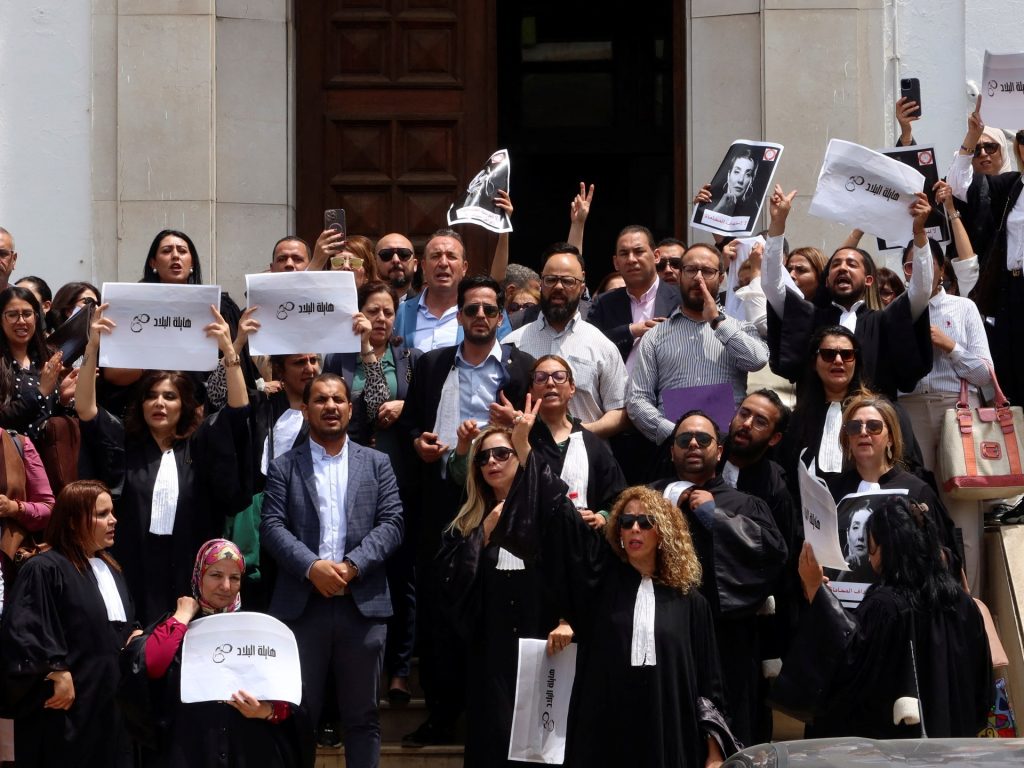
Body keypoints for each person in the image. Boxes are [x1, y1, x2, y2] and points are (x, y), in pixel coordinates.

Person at [490, 467, 737, 768]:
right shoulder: (598, 589)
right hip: (605, 736)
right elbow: (564, 529)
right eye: (626, 522)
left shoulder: (691, 603)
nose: (635, 528)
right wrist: (527, 454)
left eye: (645, 522)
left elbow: (709, 685)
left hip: (670, 734)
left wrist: (714, 753)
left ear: (663, 532)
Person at [401, 275, 535, 746]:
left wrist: (514, 424)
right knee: (441, 611)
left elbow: (539, 431)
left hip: (504, 499)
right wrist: (419, 442)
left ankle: (494, 716)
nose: (480, 316)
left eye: (489, 310)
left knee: (499, 603)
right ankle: (441, 714)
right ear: (458, 315)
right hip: (446, 500)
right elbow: (411, 425)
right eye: (472, 309)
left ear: (501, 317)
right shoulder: (433, 363)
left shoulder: (521, 368)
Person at [260, 373, 404, 768]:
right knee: (298, 714)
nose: (330, 406)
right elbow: (271, 526)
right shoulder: (284, 466)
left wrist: (353, 566)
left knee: (363, 716)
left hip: (362, 606)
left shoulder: (377, 463)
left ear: (350, 409)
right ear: (305, 410)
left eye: (338, 399)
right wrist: (311, 567)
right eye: (321, 400)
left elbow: (393, 523)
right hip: (303, 607)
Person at [75, 303, 253, 624]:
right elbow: (87, 410)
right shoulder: (125, 445)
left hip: (189, 569)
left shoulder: (201, 444)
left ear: (183, 405)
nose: (159, 403)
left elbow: (238, 411)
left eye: (169, 396)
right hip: (134, 567)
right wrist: (92, 348)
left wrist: (230, 351)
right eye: (151, 396)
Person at [775, 498, 991, 738]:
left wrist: (815, 590)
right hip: (954, 737)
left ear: (885, 547)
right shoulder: (963, 604)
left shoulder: (886, 606)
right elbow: (981, 684)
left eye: (872, 546)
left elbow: (849, 665)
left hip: (901, 746)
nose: (870, 558)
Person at [651, 410, 787, 746]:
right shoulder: (648, 500)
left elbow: (774, 556)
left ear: (720, 450)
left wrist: (717, 518)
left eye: (703, 439)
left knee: (733, 732)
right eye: (684, 439)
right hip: (662, 637)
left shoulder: (746, 504)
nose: (693, 445)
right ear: (672, 451)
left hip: (729, 640)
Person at [119, 539, 309, 767]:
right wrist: (182, 617)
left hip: (247, 752)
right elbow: (151, 666)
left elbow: (291, 700)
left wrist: (266, 711)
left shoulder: (258, 629)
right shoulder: (176, 626)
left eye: (234, 578)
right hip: (191, 752)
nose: (226, 586)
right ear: (199, 575)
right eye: (216, 575)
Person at [439, 419, 563, 767]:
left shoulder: (547, 516)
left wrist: (567, 619)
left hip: (543, 644)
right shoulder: (465, 523)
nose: (491, 462)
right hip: (490, 650)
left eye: (501, 454)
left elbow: (570, 569)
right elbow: (450, 585)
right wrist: (484, 533)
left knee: (542, 748)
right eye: (483, 458)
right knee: (493, 740)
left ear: (519, 458)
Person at [323, 280, 421, 702]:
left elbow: (395, 410)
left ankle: (399, 671)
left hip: (398, 478)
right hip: (348, 478)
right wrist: (362, 348)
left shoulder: (411, 360)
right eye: (373, 310)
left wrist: (404, 403)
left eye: (388, 311)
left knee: (401, 577)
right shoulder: (337, 359)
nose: (380, 318)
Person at [0, 480, 137, 767]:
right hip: (67, 716)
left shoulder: (112, 569)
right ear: (73, 522)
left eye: (112, 512)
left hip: (109, 711)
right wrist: (54, 669)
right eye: (102, 514)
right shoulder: (44, 568)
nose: (113, 520)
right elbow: (24, 631)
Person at [762, 186, 934, 401]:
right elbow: (771, 285)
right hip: (816, 417)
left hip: (872, 419)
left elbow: (921, 290)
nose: (843, 268)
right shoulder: (810, 318)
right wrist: (778, 223)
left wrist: (919, 233)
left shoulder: (884, 322)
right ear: (827, 281)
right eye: (836, 264)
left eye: (852, 264)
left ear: (869, 280)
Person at [897, 237, 993, 594]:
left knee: (963, 515)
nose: (918, 271)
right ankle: (921, 604)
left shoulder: (963, 307)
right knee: (913, 512)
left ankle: (971, 605)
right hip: (908, 411)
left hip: (956, 411)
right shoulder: (896, 311)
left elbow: (985, 374)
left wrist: (951, 347)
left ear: (941, 269)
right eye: (910, 265)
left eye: (925, 263)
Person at [626, 243, 769, 446]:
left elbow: (757, 360)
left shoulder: (739, 328)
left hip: (728, 447)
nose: (698, 278)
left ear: (721, 278)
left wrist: (717, 322)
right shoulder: (655, 336)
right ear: (680, 276)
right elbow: (637, 400)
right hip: (674, 450)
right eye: (691, 270)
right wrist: (676, 434)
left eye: (707, 271)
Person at [777, 325, 924, 498]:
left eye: (847, 355)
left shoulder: (883, 411)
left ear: (856, 362)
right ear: (814, 363)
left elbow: (909, 468)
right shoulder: (798, 419)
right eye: (828, 354)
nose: (838, 361)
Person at [826, 392, 959, 576]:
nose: (863, 432)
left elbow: (949, 558)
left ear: (890, 438)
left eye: (874, 426)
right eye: (854, 427)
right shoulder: (832, 491)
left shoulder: (917, 491)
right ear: (847, 437)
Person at [504, 243, 628, 438]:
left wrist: (576, 435)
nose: (559, 287)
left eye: (568, 281)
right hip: (525, 452)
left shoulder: (602, 346)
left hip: (585, 451)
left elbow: (619, 411)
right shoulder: (513, 344)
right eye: (551, 280)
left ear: (582, 287)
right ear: (541, 284)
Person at [948, 97, 1024, 407]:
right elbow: (958, 184)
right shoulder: (1013, 185)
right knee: (1011, 376)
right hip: (1012, 289)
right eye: (1023, 139)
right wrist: (972, 135)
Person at [393, 227, 512, 351]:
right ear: (424, 266)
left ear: (464, 268)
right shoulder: (402, 313)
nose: (443, 263)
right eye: (435, 256)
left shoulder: (489, 311)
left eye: (451, 256)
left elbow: (505, 355)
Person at [587, 225, 679, 371]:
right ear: (616, 263)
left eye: (639, 251)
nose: (631, 259)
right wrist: (631, 331)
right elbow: (589, 346)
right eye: (624, 254)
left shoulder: (681, 299)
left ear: (656, 256)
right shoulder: (604, 303)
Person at [0, 286, 66, 442]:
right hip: (14, 453)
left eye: (27, 314)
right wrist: (40, 392)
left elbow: (50, 416)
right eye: (12, 315)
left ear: (36, 317)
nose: (21, 321)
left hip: (50, 453)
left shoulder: (47, 356)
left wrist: (63, 398)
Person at [375, 233, 419, 299]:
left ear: (415, 265)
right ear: (375, 264)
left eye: (404, 254)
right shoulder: (361, 304)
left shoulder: (427, 304)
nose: (396, 260)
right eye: (386, 254)